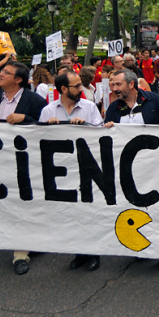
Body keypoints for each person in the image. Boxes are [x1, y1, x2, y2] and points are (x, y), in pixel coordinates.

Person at [0, 61, 47, 275]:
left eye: (6, 72)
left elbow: (47, 129)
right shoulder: (0, 97)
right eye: (2, 71)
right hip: (2, 160)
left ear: (18, 80)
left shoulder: (35, 100)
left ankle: (20, 255)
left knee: (23, 206)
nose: (0, 74)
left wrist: (26, 119)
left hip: (25, 163)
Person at [39, 71, 104, 272]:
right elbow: (39, 140)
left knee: (89, 211)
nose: (80, 89)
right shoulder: (48, 111)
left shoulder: (89, 107)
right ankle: (79, 252)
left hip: (86, 167)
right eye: (76, 86)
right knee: (72, 214)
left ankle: (94, 253)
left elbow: (102, 135)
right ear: (63, 89)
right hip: (62, 171)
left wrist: (85, 127)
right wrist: (48, 128)